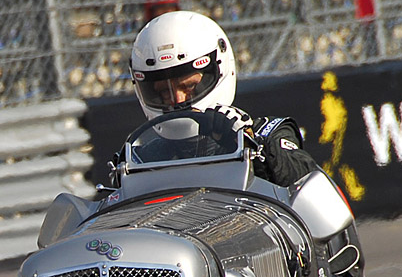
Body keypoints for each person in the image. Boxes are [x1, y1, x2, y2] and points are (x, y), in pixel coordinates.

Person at [128, 10, 318, 187]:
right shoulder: (140, 161)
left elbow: (307, 184)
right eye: (164, 91)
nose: (177, 99)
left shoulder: (267, 135)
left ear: (219, 69)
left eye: (189, 86)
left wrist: (249, 143)